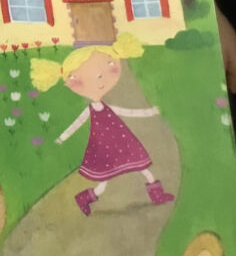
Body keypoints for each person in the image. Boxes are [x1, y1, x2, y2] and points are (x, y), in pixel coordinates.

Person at [31, 33, 175, 216]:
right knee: (105, 182)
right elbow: (78, 123)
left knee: (143, 169)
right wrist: (62, 137)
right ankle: (84, 198)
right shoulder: (92, 109)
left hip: (122, 143)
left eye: (104, 73)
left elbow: (127, 112)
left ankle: (157, 195)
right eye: (96, 76)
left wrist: (148, 112)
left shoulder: (106, 107)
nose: (101, 80)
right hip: (107, 149)